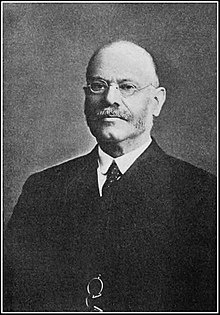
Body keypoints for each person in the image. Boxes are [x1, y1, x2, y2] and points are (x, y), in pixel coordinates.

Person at [4, 40, 216, 312]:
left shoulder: (203, 196)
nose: (110, 98)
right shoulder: (43, 189)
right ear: (85, 98)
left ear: (156, 102)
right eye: (98, 86)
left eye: (127, 87)